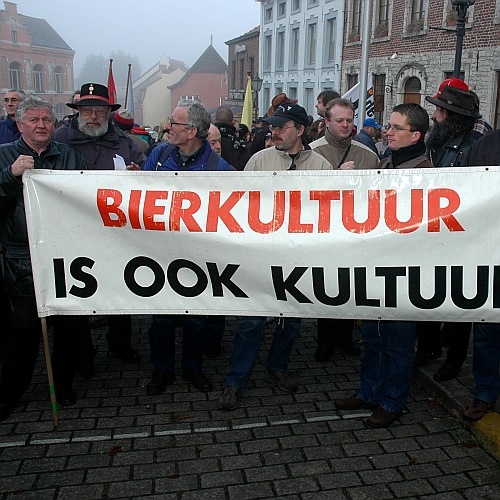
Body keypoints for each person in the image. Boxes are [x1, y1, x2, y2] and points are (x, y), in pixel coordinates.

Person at [218, 103, 333, 411]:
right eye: (273, 127)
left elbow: (331, 213)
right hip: (261, 255)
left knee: (291, 321)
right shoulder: (259, 161)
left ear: (299, 130)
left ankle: (277, 366)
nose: (275, 132)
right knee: (251, 321)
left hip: (298, 257)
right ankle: (235, 379)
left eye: (282, 127)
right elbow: (239, 204)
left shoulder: (321, 167)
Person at [335, 103, 432, 429]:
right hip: (377, 266)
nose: (387, 131)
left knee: (399, 342)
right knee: (375, 337)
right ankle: (370, 391)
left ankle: (392, 402)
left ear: (415, 135)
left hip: (404, 273)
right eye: (388, 125)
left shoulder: (426, 173)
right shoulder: (386, 162)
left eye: (396, 127)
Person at [0, 96, 88, 421]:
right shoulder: (4, 156)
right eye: (34, 120)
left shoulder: (69, 156)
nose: (41, 126)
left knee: (69, 328)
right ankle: (10, 392)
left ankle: (63, 384)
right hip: (22, 261)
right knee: (23, 333)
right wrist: (10, 175)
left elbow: (88, 196)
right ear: (20, 124)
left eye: (47, 120)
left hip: (64, 257)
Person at [53, 83, 146, 378]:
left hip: (115, 233)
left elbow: (145, 174)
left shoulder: (124, 141)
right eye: (88, 110)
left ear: (109, 113)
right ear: (78, 112)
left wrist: (138, 175)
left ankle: (120, 343)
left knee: (121, 287)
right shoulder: (59, 140)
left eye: (100, 110)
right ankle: (83, 353)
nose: (94, 116)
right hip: (73, 233)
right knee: (80, 294)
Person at [142, 99, 233, 395]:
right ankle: (162, 370)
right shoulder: (158, 154)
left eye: (174, 123)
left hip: (197, 254)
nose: (168, 127)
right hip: (160, 251)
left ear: (192, 131)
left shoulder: (219, 169)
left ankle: (193, 369)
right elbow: (139, 195)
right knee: (161, 318)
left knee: (195, 317)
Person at [416, 79, 480, 381]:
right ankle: (429, 347)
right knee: (429, 294)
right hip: (434, 233)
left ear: (451, 116)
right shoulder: (437, 143)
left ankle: (454, 359)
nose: (434, 115)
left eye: (439, 111)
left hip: (458, 237)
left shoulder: (471, 149)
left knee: (458, 304)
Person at [309, 98, 378, 362]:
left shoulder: (368, 154)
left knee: (352, 286)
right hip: (324, 233)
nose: (346, 125)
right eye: (340, 121)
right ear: (327, 121)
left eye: (349, 120)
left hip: (356, 233)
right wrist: (335, 176)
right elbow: (304, 195)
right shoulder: (312, 153)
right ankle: (325, 341)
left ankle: (346, 337)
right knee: (326, 287)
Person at [459, 129, 500, 421]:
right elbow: (464, 192)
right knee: (486, 329)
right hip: (489, 252)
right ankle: (485, 392)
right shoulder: (485, 146)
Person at [214, 106, 251, 170]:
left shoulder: (205, 142)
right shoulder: (240, 145)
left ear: (214, 120)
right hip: (236, 178)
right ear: (233, 121)